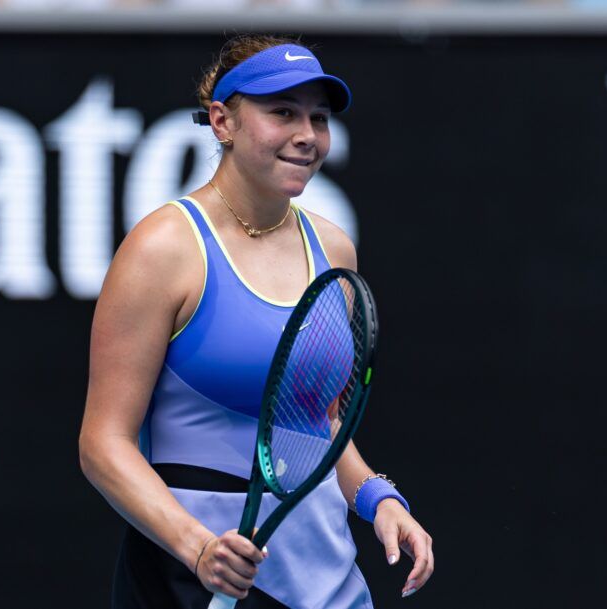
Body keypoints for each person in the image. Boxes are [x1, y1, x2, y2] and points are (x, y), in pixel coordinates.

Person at [79, 34, 434, 608]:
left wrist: (377, 499)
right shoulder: (162, 249)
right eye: (282, 112)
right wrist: (197, 549)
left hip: (322, 574)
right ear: (222, 122)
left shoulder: (334, 249)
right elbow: (103, 444)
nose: (306, 135)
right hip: (189, 579)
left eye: (318, 118)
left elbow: (315, 426)